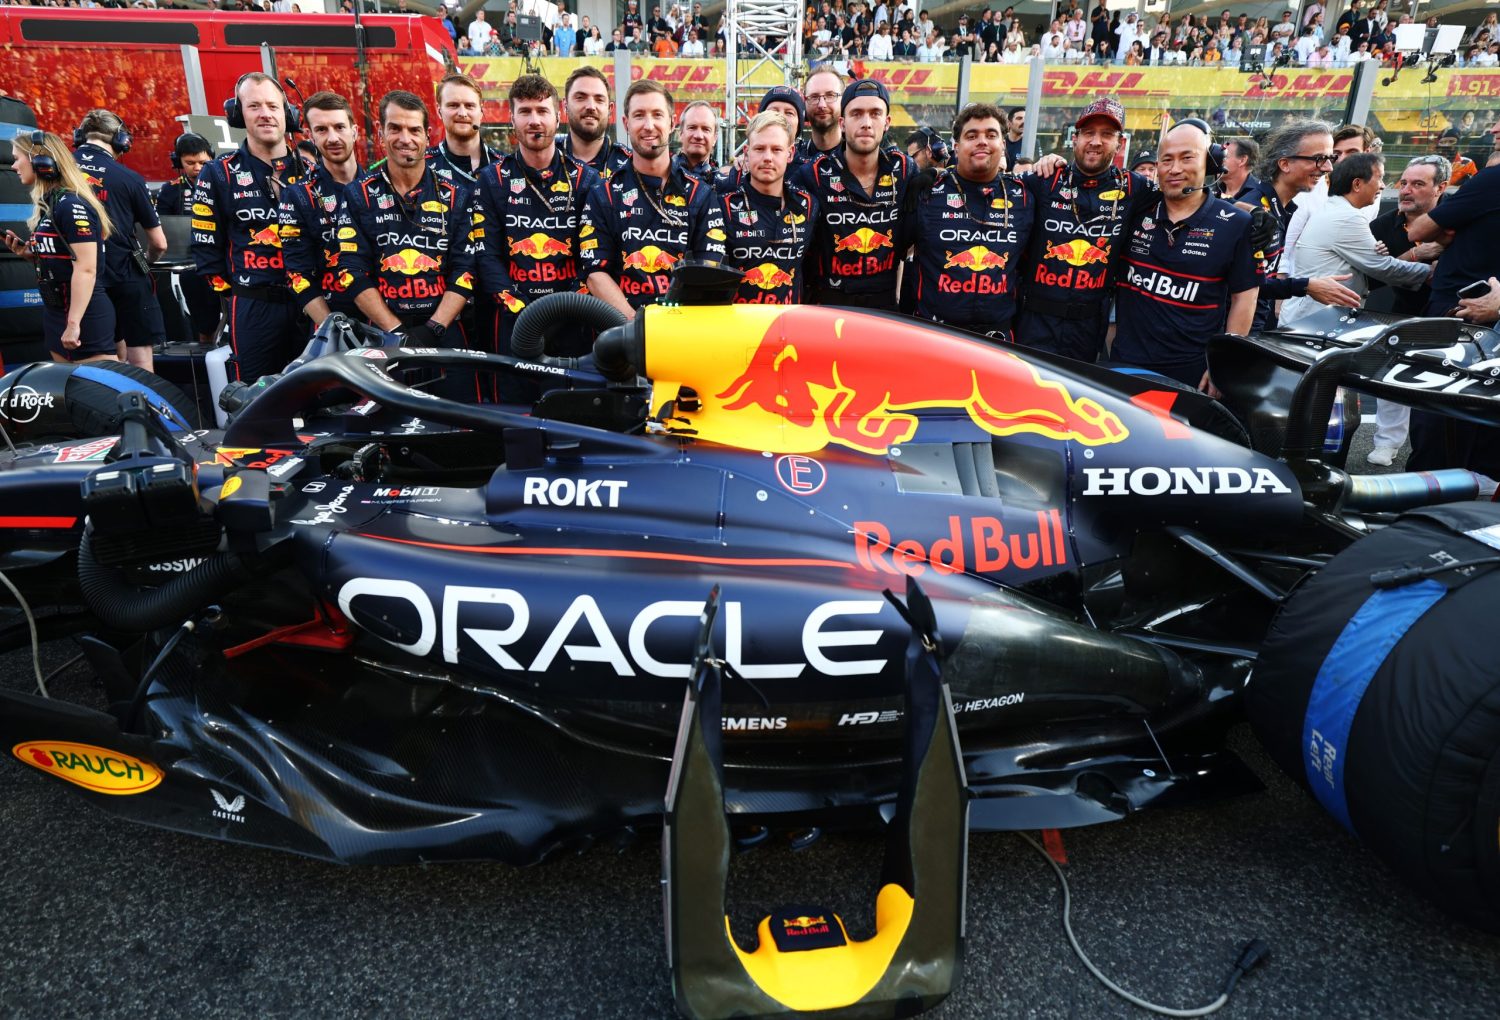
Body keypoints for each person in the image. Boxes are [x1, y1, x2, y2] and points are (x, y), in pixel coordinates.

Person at [472, 73, 600, 402]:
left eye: (542, 111)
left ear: (558, 117)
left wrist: (564, 309)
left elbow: (594, 257)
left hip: (574, 320)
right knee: (515, 419)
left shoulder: (587, 180)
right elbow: (486, 257)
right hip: (513, 321)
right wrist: (523, 313)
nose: (534, 121)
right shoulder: (491, 180)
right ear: (511, 119)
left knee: (574, 414)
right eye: (525, 111)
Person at [336, 90, 476, 385]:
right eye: (395, 128)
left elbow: (465, 269)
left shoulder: (456, 195)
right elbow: (352, 272)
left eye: (414, 130)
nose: (405, 138)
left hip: (445, 330)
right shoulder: (358, 194)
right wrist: (397, 332)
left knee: (461, 413)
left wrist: (433, 329)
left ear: (427, 135)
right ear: (380, 133)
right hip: (384, 335)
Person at [1111, 121, 1261, 392]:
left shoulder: (1236, 224)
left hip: (1192, 374)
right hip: (1125, 365)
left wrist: (1223, 361)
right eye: (1167, 160)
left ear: (1209, 162)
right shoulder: (1134, 210)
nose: (1175, 168)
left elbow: (1245, 297)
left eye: (1187, 157)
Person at [192, 74, 314, 383]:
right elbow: (206, 251)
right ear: (238, 114)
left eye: (273, 106)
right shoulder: (218, 173)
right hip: (253, 306)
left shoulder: (313, 172)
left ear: (287, 114)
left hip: (313, 305)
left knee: (322, 395)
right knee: (255, 398)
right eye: (254, 106)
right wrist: (239, 296)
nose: (265, 114)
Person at [1013, 99, 1152, 363]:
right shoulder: (1045, 179)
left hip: (1088, 329)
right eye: (1089, 133)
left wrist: (1237, 214)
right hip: (1035, 324)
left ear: (1120, 143)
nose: (1096, 141)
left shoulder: (1134, 187)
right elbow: (995, 186)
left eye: (1106, 134)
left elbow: (1181, 197)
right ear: (1074, 139)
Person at [579, 79, 727, 317]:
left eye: (657, 115)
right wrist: (634, 324)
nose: (649, 126)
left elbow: (708, 272)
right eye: (639, 115)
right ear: (626, 124)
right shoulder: (603, 194)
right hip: (620, 329)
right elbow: (595, 273)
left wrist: (668, 326)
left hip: (681, 328)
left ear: (672, 123)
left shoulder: (700, 194)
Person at [1404, 118, 1500, 478]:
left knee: (1439, 416)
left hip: (1463, 316)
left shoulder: (1492, 179)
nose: (1494, 129)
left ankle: (1428, 499)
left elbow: (1419, 229)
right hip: (1469, 314)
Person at [906, 102, 1031, 341]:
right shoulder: (927, 191)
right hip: (934, 335)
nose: (982, 141)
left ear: (1003, 145)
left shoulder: (1025, 196)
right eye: (972, 136)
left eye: (991, 135)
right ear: (956, 146)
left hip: (998, 338)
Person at [794, 78, 915, 310]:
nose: (866, 123)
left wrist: (935, 175)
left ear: (887, 122)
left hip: (885, 308)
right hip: (829, 306)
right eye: (856, 114)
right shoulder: (814, 174)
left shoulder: (905, 170)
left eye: (875, 114)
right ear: (842, 123)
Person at [1363, 154, 1449, 467]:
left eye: (1418, 184)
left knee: (1444, 383)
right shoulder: (1383, 225)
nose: (1406, 190)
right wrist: (1414, 256)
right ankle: (1387, 442)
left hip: (1449, 313)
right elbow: (1371, 278)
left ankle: (1441, 449)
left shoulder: (1457, 221)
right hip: (1402, 311)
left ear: (1441, 187)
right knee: (1391, 375)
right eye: (1403, 183)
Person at [1237, 119, 1361, 331]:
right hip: (1238, 329)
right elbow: (1242, 283)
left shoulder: (1283, 207)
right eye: (1319, 159)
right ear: (1284, 164)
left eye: (1330, 158)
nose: (1328, 168)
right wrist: (1306, 286)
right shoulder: (1256, 211)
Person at [3, 132, 116, 363]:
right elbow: (63, 258)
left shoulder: (71, 204)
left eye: (17, 158)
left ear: (40, 161)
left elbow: (87, 268)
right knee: (68, 385)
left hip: (84, 315)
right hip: (56, 312)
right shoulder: (50, 204)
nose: (13, 166)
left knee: (98, 384)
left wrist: (73, 323)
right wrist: (32, 255)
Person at [1279, 153, 1428, 324]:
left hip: (1311, 317)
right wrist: (1430, 271)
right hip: (1315, 320)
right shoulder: (1347, 217)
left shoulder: (1336, 209)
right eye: (1379, 178)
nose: (1382, 186)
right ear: (1357, 184)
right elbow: (1381, 266)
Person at [72, 109, 167, 370]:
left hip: (77, 279)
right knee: (140, 362)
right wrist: (147, 261)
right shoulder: (130, 178)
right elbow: (159, 243)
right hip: (126, 273)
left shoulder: (58, 171)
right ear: (121, 140)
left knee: (101, 363)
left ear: (79, 136)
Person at [277, 91, 364, 330]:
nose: (333, 138)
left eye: (339, 127)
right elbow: (297, 275)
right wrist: (334, 328)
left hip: (386, 320)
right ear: (310, 136)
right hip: (331, 321)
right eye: (322, 130)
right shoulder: (297, 195)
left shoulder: (381, 187)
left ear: (354, 131)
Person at [716, 111, 817, 305]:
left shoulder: (808, 204)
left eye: (776, 149)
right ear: (747, 153)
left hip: (788, 322)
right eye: (760, 149)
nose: (768, 157)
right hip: (738, 322)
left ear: (790, 153)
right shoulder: (724, 206)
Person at [155, 132, 219, 343]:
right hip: (190, 265)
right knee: (205, 322)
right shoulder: (170, 190)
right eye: (190, 163)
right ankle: (206, 351)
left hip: (223, 260)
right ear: (179, 162)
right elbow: (161, 227)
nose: (197, 168)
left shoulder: (224, 183)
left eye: (202, 162)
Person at [561, 66, 632, 181]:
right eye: (580, 98)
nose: (591, 106)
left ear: (610, 109)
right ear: (565, 105)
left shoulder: (631, 164)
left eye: (599, 100)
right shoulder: (546, 158)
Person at [799, 69, 843, 164]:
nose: (822, 105)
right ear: (804, 102)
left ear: (843, 100)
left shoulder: (859, 157)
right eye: (814, 97)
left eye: (830, 95)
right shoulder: (792, 160)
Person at [673, 101, 718, 182]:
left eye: (706, 129)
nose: (698, 136)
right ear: (681, 134)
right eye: (692, 128)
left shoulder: (724, 185)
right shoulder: (662, 177)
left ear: (715, 138)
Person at [1215, 136, 1259, 201]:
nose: (1216, 160)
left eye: (1224, 156)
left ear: (1242, 160)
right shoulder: (1212, 192)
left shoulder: (1261, 194)